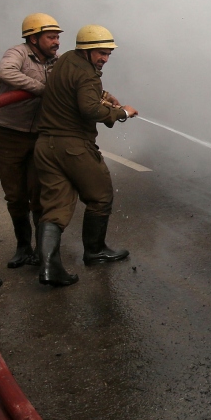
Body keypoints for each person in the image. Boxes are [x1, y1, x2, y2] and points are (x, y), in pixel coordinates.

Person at [33, 24, 138, 287]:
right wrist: (121, 113)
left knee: (55, 207)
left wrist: (103, 96)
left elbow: (74, 92)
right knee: (100, 196)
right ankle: (95, 251)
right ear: (87, 50)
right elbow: (89, 109)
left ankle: (49, 267)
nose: (105, 58)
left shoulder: (66, 60)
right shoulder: (88, 74)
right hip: (73, 146)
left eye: (108, 53)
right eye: (101, 53)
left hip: (46, 146)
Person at [0, 13, 61, 269]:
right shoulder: (18, 53)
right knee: (16, 195)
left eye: (57, 37)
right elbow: (5, 71)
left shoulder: (57, 61)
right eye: (51, 37)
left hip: (40, 136)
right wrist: (41, 88)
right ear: (33, 37)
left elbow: (72, 82)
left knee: (40, 195)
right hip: (9, 134)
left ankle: (44, 252)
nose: (56, 42)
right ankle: (23, 247)